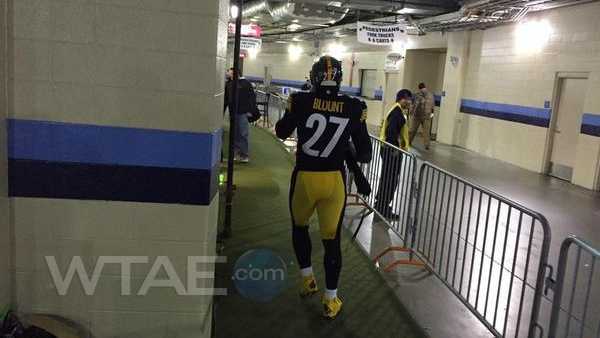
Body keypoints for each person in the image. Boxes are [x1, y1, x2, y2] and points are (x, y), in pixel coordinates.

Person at [275, 56, 372, 320]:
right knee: (331, 242)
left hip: (306, 177)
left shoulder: (300, 100)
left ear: (314, 77)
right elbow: (365, 153)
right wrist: (347, 152)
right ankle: (331, 300)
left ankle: (308, 279)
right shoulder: (354, 107)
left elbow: (281, 132)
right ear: (339, 78)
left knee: (299, 227)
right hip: (334, 181)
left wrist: (291, 113)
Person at [374, 89, 412, 220]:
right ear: (403, 99)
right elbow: (391, 132)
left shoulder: (397, 110)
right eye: (408, 100)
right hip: (391, 152)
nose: (409, 102)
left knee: (387, 178)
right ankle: (383, 208)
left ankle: (381, 204)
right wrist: (395, 149)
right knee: (390, 180)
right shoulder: (397, 113)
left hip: (388, 150)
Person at [224, 67, 257, 163]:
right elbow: (226, 99)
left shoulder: (246, 84)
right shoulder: (229, 84)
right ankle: (235, 153)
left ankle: (244, 155)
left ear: (235, 73)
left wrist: (250, 111)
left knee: (243, 133)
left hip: (243, 113)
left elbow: (251, 98)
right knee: (234, 134)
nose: (228, 73)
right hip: (233, 113)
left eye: (229, 72)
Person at [409, 82, 435, 150]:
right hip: (427, 115)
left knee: (413, 130)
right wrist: (431, 115)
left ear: (419, 88)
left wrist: (411, 113)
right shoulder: (431, 95)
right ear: (425, 86)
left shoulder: (417, 95)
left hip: (417, 115)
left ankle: (408, 141)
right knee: (426, 132)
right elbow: (432, 106)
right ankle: (427, 145)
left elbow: (414, 105)